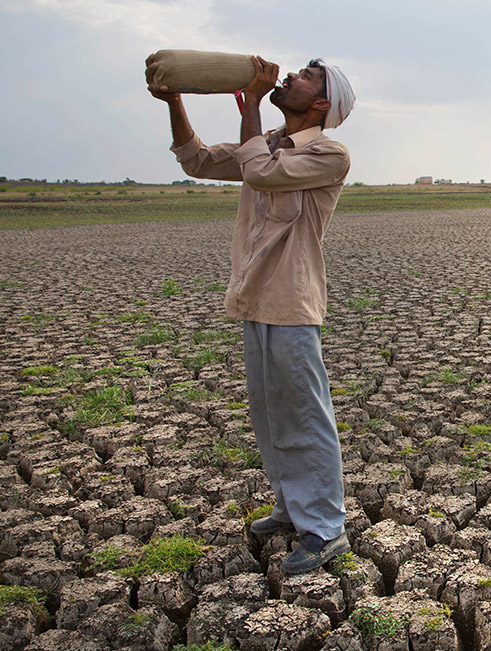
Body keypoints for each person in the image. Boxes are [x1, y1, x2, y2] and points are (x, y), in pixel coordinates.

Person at [146, 54, 356, 574]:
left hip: (291, 300)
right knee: (270, 415)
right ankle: (291, 509)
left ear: (322, 102)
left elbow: (260, 173)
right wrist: (175, 100)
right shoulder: (271, 145)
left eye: (305, 77)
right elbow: (195, 160)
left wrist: (254, 104)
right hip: (255, 298)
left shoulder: (329, 153)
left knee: (306, 415)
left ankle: (326, 529)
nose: (291, 77)